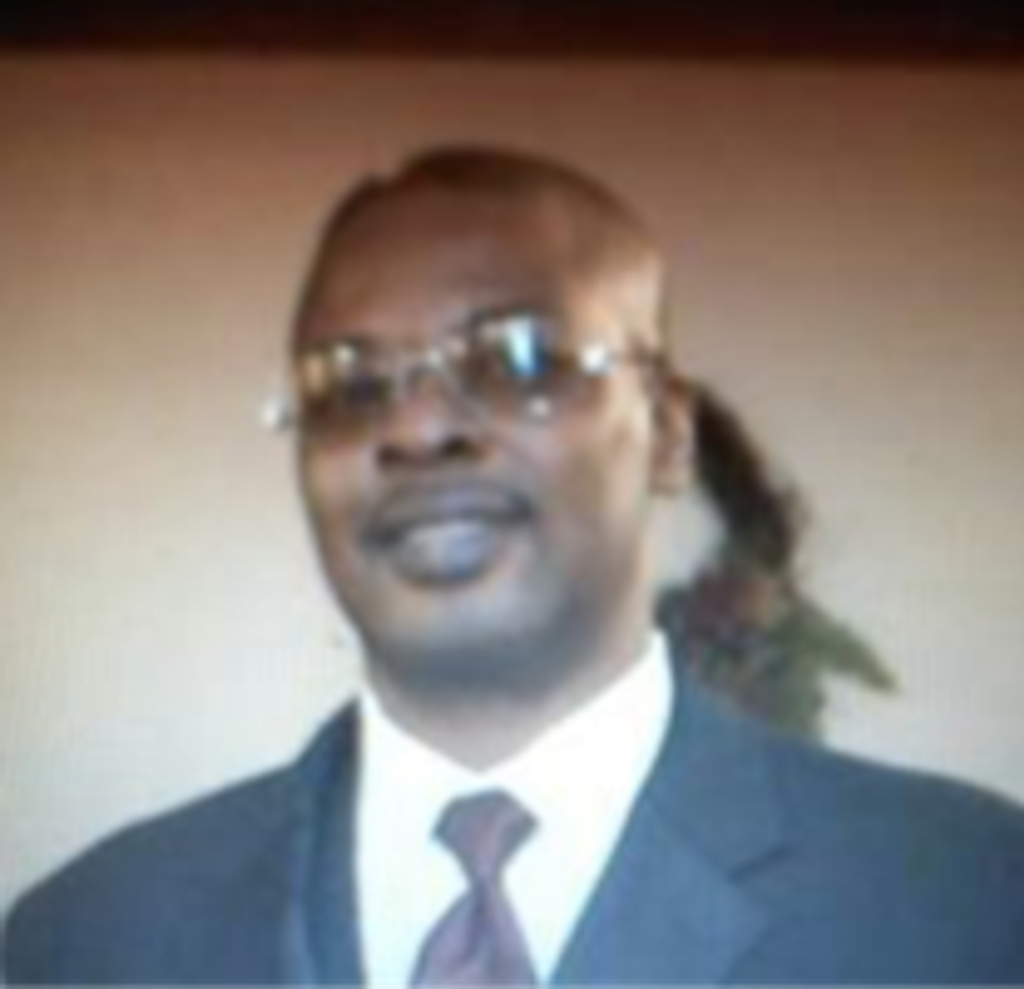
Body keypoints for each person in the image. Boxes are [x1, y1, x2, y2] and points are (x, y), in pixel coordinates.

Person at [5, 146, 1024, 988]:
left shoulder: (970, 899)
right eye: (349, 385)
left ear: (668, 434)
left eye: (516, 360)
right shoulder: (83, 937)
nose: (416, 428)